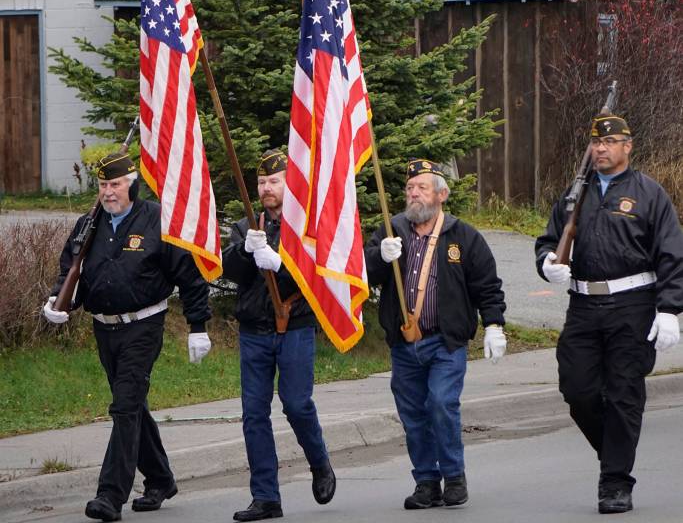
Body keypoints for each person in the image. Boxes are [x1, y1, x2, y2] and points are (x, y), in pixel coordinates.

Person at [43, 151, 211, 522]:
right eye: (103, 185)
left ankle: (110, 495)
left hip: (143, 325)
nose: (109, 192)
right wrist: (59, 301)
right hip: (104, 327)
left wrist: (198, 326)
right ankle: (160, 479)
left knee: (124, 406)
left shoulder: (156, 221)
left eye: (115, 184)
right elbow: (72, 268)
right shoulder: (89, 224)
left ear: (131, 184)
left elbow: (190, 276)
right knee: (132, 406)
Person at [535, 114, 683, 515]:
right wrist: (547, 263)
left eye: (610, 141)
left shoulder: (649, 194)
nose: (601, 148)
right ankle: (616, 455)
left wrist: (669, 310)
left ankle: (615, 481)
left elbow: (672, 254)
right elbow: (549, 240)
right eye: (596, 143)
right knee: (577, 390)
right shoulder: (574, 194)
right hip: (583, 305)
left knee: (623, 393)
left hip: (632, 305)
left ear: (627, 146)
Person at [364, 157, 507, 511]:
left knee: (442, 404)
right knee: (412, 413)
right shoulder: (391, 229)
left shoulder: (463, 236)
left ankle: (454, 476)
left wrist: (493, 325)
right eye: (409, 188)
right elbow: (364, 275)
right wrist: (380, 257)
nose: (413, 194)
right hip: (404, 343)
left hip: (445, 342)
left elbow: (487, 285)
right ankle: (426, 482)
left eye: (421, 188)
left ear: (441, 194)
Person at [223, 149, 336, 522]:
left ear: (291, 183)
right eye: (261, 182)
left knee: (296, 403)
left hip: (296, 328)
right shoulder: (246, 225)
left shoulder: (304, 228)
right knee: (253, 414)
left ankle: (319, 462)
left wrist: (281, 263)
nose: (267, 188)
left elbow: (316, 274)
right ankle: (266, 496)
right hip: (254, 331)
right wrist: (245, 250)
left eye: (274, 181)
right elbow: (230, 272)